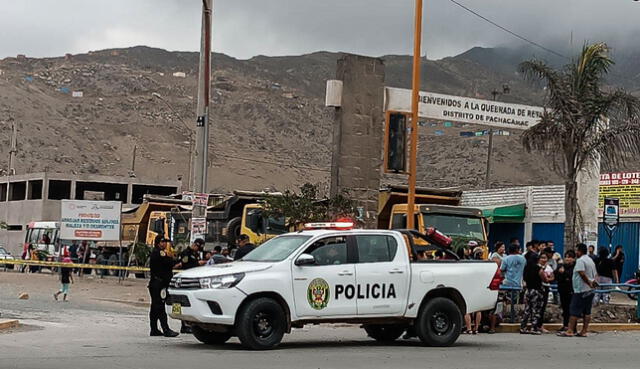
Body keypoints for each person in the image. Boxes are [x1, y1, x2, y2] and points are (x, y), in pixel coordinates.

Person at [559, 243, 598, 337]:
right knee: (587, 311)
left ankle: (570, 330)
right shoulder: (590, 260)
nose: (576, 252)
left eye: (577, 250)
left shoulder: (580, 261)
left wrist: (588, 282)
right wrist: (592, 284)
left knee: (574, 310)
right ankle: (584, 331)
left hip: (580, 290)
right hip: (589, 290)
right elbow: (595, 274)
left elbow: (582, 274)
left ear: (580, 251)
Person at [148, 237, 179, 338]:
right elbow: (169, 263)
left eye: (166, 242)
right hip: (159, 284)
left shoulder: (159, 252)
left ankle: (154, 329)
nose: (165, 243)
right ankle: (166, 329)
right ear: (157, 243)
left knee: (155, 307)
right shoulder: (160, 253)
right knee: (160, 307)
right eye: (163, 242)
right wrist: (171, 257)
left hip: (157, 283)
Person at [520, 252, 553, 334]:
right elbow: (545, 279)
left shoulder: (526, 268)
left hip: (528, 290)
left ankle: (523, 327)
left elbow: (524, 278)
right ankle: (533, 328)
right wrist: (551, 278)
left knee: (527, 309)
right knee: (536, 309)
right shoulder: (538, 268)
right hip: (537, 290)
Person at [555, 250, 576, 332]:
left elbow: (571, 276)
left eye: (570, 257)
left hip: (571, 290)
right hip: (562, 290)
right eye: (566, 257)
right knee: (565, 309)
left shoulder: (575, 267)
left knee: (571, 309)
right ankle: (565, 325)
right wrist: (560, 272)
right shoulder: (561, 266)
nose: (568, 259)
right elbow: (555, 275)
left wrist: (564, 273)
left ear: (574, 259)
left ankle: (572, 327)